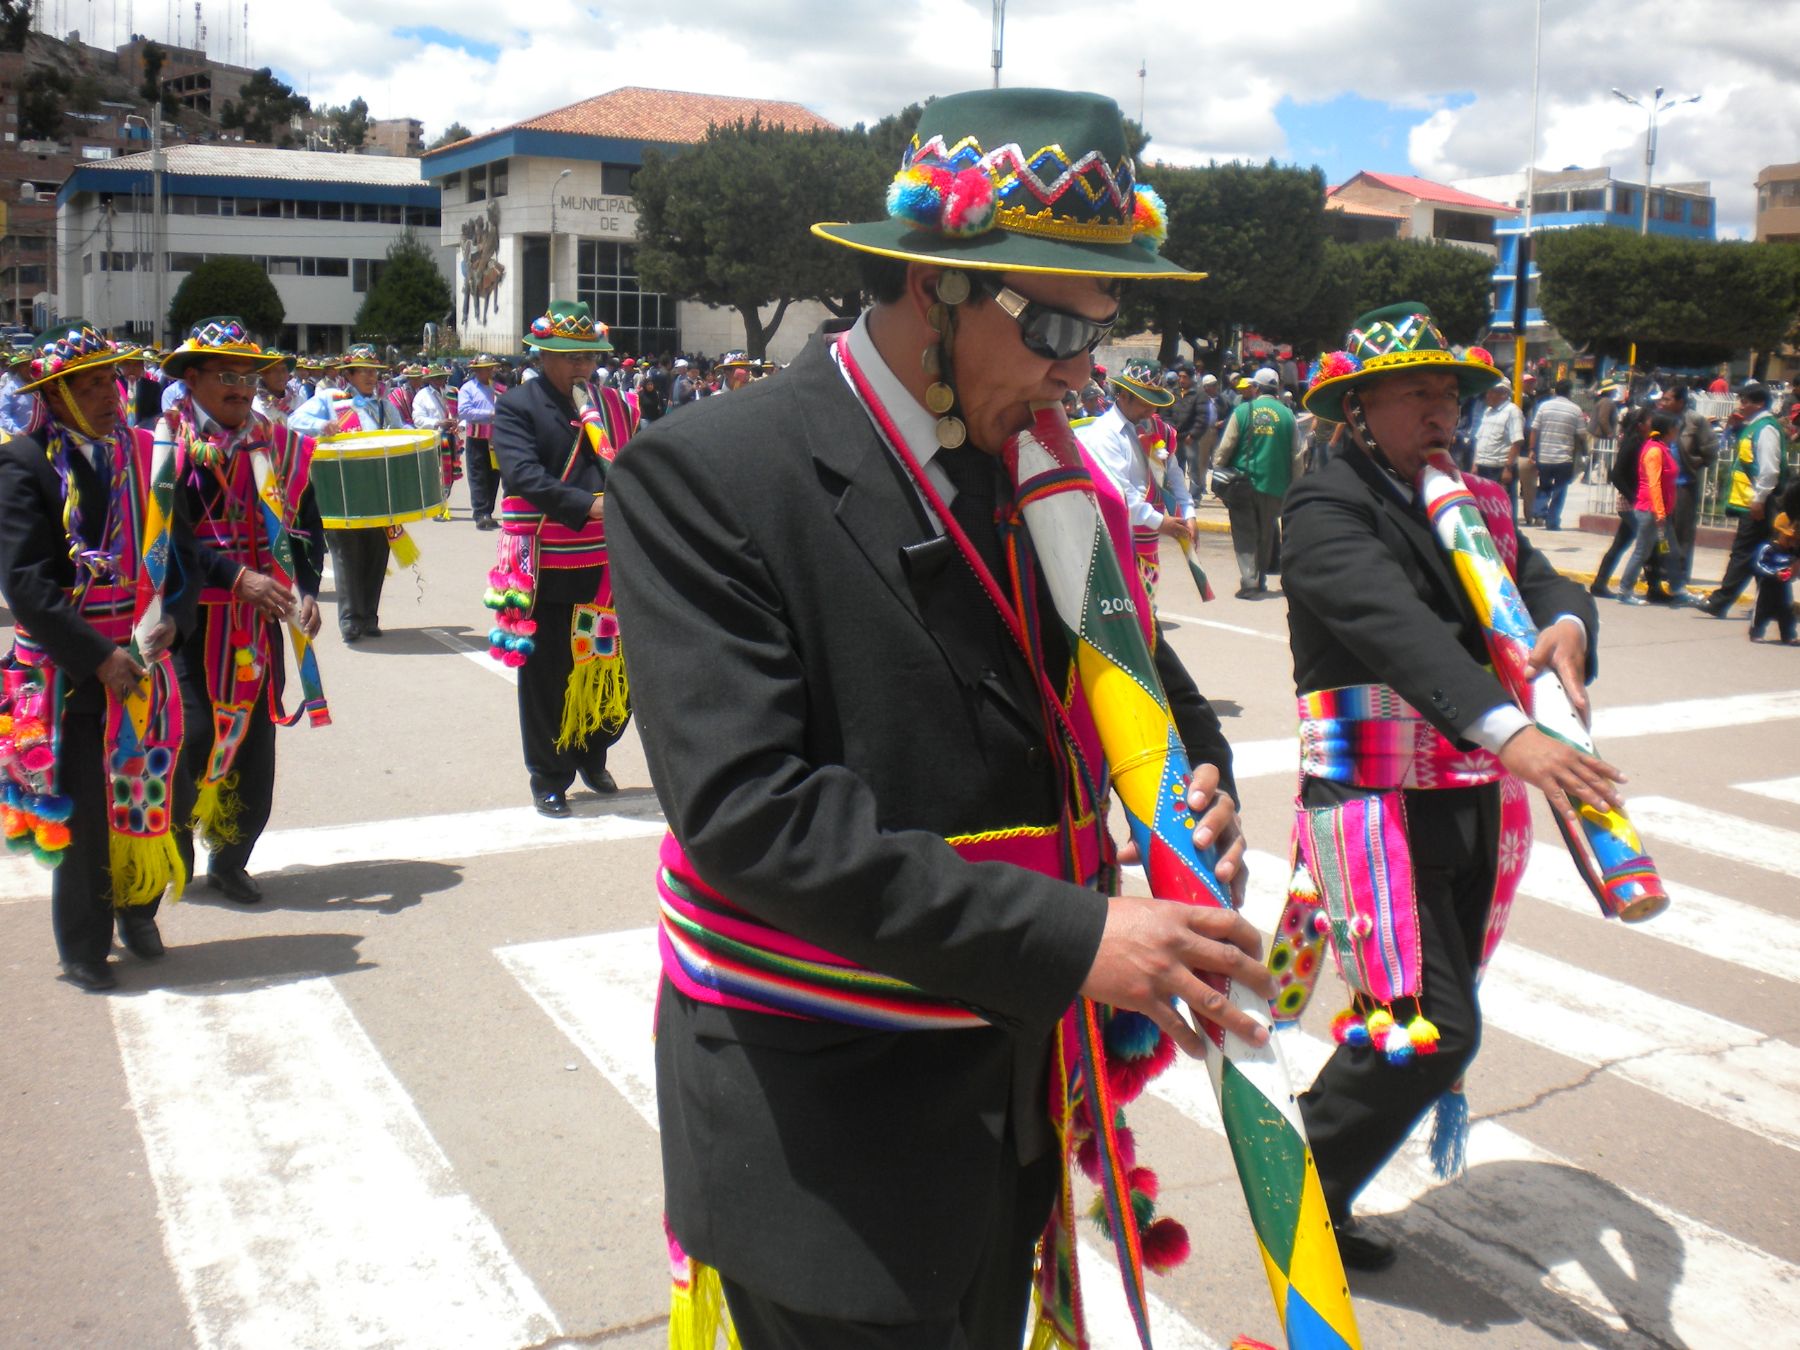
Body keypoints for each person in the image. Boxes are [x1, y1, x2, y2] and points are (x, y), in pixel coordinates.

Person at [609, 87, 1268, 1350]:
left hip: (1008, 1103)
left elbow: (1139, 670)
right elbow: (756, 821)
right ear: (934, 284)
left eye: (1104, 332)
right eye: (1056, 327)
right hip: (829, 1130)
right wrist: (1082, 936)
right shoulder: (708, 477)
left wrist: (1202, 780)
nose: (1084, 372)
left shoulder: (1043, 465)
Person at [1284, 302, 1614, 1270]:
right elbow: (1394, 627)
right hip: (1374, 803)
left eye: (1451, 394)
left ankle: (1317, 1187)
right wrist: (1513, 730)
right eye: (1418, 393)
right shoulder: (1328, 506)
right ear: (1359, 408)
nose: (1444, 411)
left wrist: (1567, 628)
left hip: (1470, 799)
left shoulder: (1471, 500)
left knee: (1419, 1019)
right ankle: (1299, 1173)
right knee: (1434, 1028)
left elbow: (1540, 581)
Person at [0, 323, 197, 989]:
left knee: (148, 788)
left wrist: (174, 614)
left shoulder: (149, 453)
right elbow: (26, 583)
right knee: (84, 808)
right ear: (55, 396)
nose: (108, 394)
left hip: (143, 656)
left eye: (110, 380)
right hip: (70, 670)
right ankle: (82, 943)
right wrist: (97, 657)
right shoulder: (23, 463)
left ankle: (139, 910)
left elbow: (181, 552)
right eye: (88, 385)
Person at [158, 318, 328, 904]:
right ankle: (173, 850)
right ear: (192, 378)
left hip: (258, 619)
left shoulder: (279, 443)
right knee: (192, 735)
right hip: (186, 618)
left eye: (250, 376)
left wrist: (306, 586)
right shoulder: (162, 444)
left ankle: (231, 857)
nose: (241, 388)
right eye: (226, 376)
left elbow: (306, 525)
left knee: (255, 749)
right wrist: (236, 577)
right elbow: (171, 537)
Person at [490, 302, 634, 816]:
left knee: (606, 661)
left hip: (606, 561)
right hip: (547, 561)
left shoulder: (614, 404)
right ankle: (548, 776)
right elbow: (523, 475)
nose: (582, 367)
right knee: (549, 673)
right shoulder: (516, 406)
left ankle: (593, 754)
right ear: (544, 355)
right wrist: (587, 505)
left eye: (589, 357)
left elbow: (634, 460)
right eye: (569, 357)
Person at [287, 344, 410, 642]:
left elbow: (402, 430)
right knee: (346, 554)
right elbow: (294, 421)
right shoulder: (331, 398)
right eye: (364, 371)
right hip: (342, 491)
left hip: (378, 489)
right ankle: (350, 620)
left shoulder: (384, 405)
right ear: (349, 374)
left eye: (374, 371)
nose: (370, 376)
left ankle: (369, 616)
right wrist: (322, 424)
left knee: (376, 553)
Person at [1076, 360, 1193, 605]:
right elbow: (1120, 492)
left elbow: (1172, 474)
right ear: (1124, 395)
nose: (1150, 410)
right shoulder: (1103, 435)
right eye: (1144, 402)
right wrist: (1161, 522)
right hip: (1117, 540)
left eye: (1154, 403)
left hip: (1147, 542)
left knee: (1146, 610)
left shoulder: (1156, 428)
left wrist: (1188, 510)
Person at [1700, 382, 1791, 617]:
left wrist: (1759, 499)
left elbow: (1769, 469)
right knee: (1761, 553)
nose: (1742, 405)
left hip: (1760, 502)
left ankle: (1720, 602)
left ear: (1759, 403)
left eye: (1746, 401)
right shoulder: (1754, 427)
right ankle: (1770, 607)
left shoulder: (1766, 429)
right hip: (1753, 500)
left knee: (1744, 552)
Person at [1213, 365, 1301, 597]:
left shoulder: (1243, 411)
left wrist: (1218, 466)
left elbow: (1226, 447)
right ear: (1277, 388)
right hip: (1275, 485)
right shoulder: (1287, 415)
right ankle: (1260, 577)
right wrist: (1295, 485)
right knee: (1266, 532)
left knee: (1244, 533)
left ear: (1256, 387)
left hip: (1243, 483)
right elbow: (1296, 455)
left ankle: (1249, 582)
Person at [1646, 383, 1717, 607]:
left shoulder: (1695, 421)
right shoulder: (1657, 419)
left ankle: (1681, 572)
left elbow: (1710, 449)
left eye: (1668, 399)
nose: (1663, 403)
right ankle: (1660, 570)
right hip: (1661, 486)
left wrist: (1695, 464)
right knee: (1661, 534)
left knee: (1682, 531)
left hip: (1683, 484)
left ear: (1680, 401)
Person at [1614, 410, 1684, 606]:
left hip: (1660, 512)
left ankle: (1678, 588)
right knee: (1642, 552)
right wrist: (1660, 512)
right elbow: (1654, 484)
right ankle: (1625, 590)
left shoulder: (1663, 449)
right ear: (1668, 431)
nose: (1677, 433)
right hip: (1650, 511)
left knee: (1670, 550)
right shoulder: (1654, 451)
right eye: (1675, 429)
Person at [1527, 378, 1586, 531]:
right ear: (1569, 392)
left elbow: (1534, 429)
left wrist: (1532, 449)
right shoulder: (1576, 410)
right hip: (1564, 458)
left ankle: (1539, 514)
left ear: (1556, 390)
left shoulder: (1543, 407)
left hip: (1544, 456)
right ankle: (1552, 521)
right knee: (1559, 490)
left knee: (1544, 486)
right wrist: (1581, 451)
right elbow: (1581, 435)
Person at [1749, 480, 1800, 644]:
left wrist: (1793, 572)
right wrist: (1774, 573)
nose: (1792, 542)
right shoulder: (1768, 549)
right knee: (1761, 611)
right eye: (1789, 538)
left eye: (1794, 540)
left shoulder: (1791, 553)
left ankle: (1788, 635)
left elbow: (1795, 566)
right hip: (1767, 587)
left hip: (1783, 587)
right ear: (1779, 533)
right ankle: (1756, 631)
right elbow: (1758, 565)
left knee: (1787, 611)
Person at [457, 354, 502, 529]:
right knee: (478, 476)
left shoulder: (498, 388)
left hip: (495, 438)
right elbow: (464, 412)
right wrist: (490, 414)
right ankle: (480, 513)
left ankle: (488, 511)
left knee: (494, 475)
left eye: (492, 368)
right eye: (487, 368)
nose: (491, 371)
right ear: (477, 371)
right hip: (477, 438)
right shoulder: (468, 388)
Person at [1471, 378, 1526, 518]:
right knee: (1485, 510)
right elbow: (1480, 439)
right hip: (1483, 466)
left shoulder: (1512, 411)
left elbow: (1517, 441)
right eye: (1488, 391)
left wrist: (1508, 468)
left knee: (1503, 510)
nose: (1488, 395)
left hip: (1500, 468)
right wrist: (1475, 464)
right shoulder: (1488, 412)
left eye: (1492, 391)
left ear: (1504, 394)